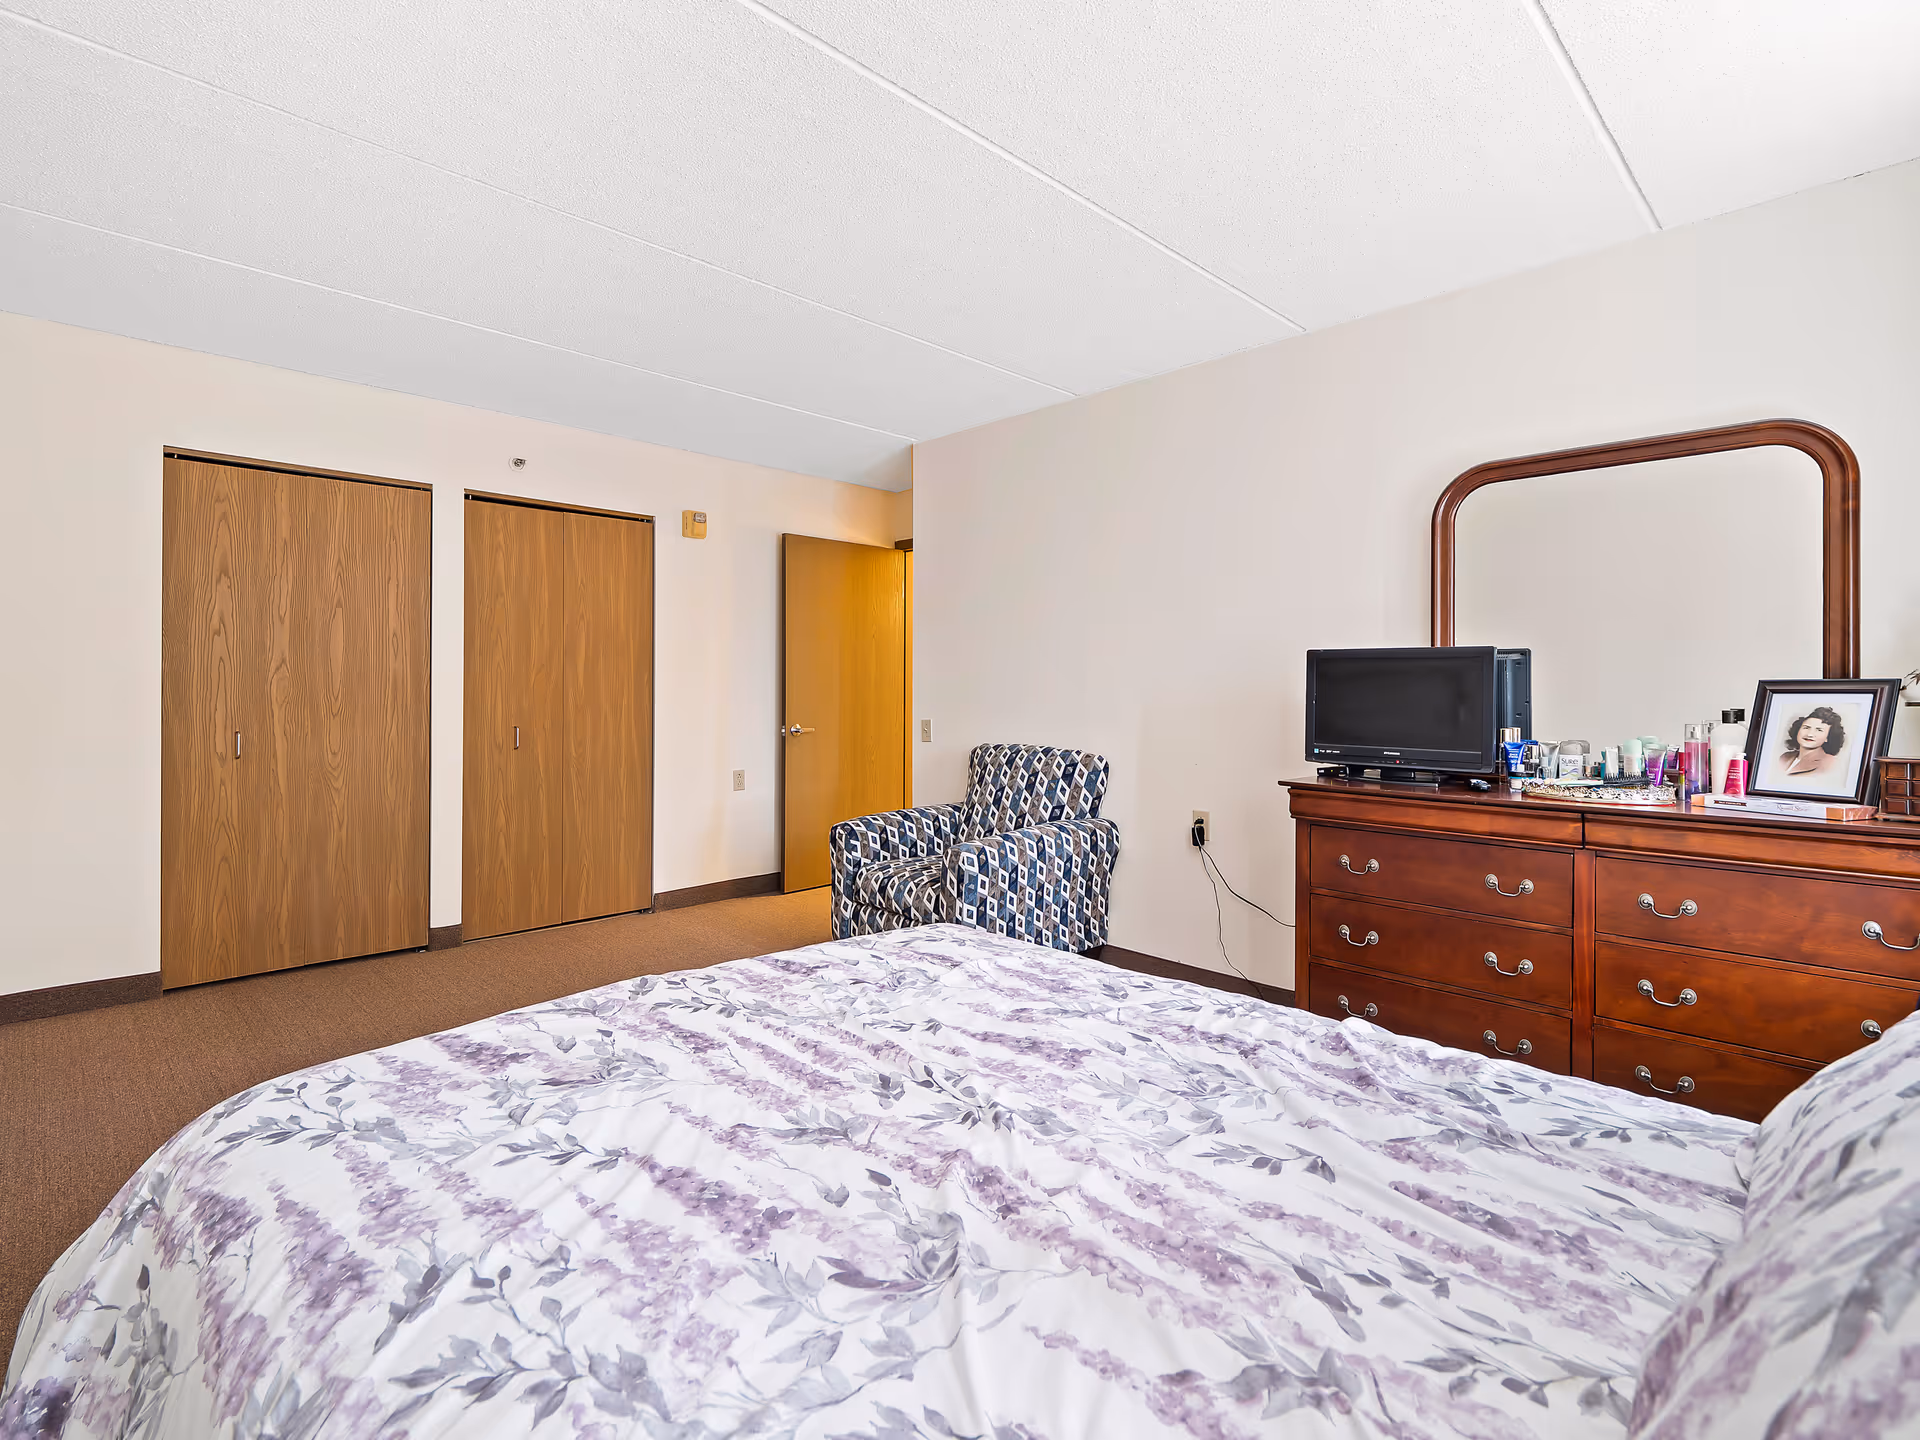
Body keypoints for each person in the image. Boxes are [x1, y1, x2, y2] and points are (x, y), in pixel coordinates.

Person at [1776, 706, 1848, 784]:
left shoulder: (1831, 763)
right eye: (1806, 728)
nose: (1810, 734)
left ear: (1827, 737)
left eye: (1819, 730)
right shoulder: (1784, 757)